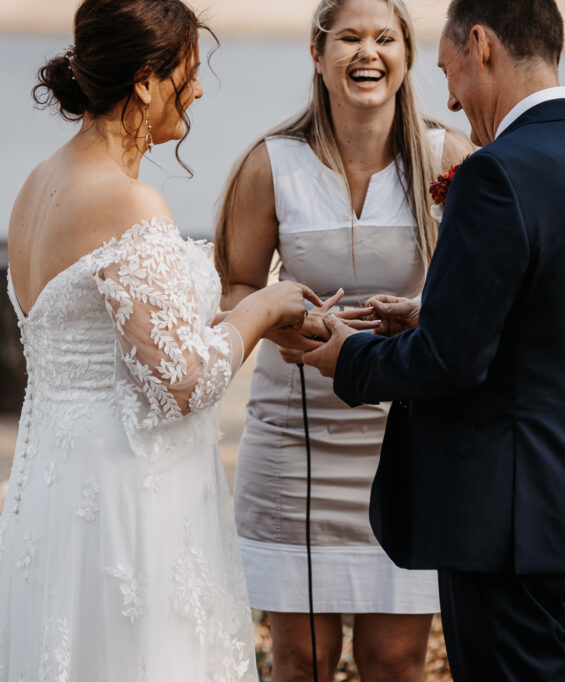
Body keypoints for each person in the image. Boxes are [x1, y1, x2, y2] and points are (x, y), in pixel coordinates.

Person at [0, 1, 327, 679]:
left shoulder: (36, 185)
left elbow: (130, 344)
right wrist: (265, 306)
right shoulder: (127, 203)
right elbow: (178, 383)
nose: (198, 87)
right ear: (145, 81)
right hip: (131, 500)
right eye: (188, 70)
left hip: (56, 487)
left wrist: (245, 316)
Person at [302, 0, 565, 679]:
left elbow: (449, 363)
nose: (449, 96)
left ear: (482, 45)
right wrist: (432, 313)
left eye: (447, 69)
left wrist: (347, 355)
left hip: (501, 523)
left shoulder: (493, 173)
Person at [214, 0, 473, 679]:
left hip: (407, 443)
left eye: (384, 38)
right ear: (317, 54)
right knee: (303, 659)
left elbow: (481, 293)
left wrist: (422, 311)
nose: (367, 53)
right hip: (291, 442)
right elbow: (237, 289)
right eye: (349, 37)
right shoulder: (270, 164)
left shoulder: (449, 158)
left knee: (393, 661)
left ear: (408, 55)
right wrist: (281, 319)